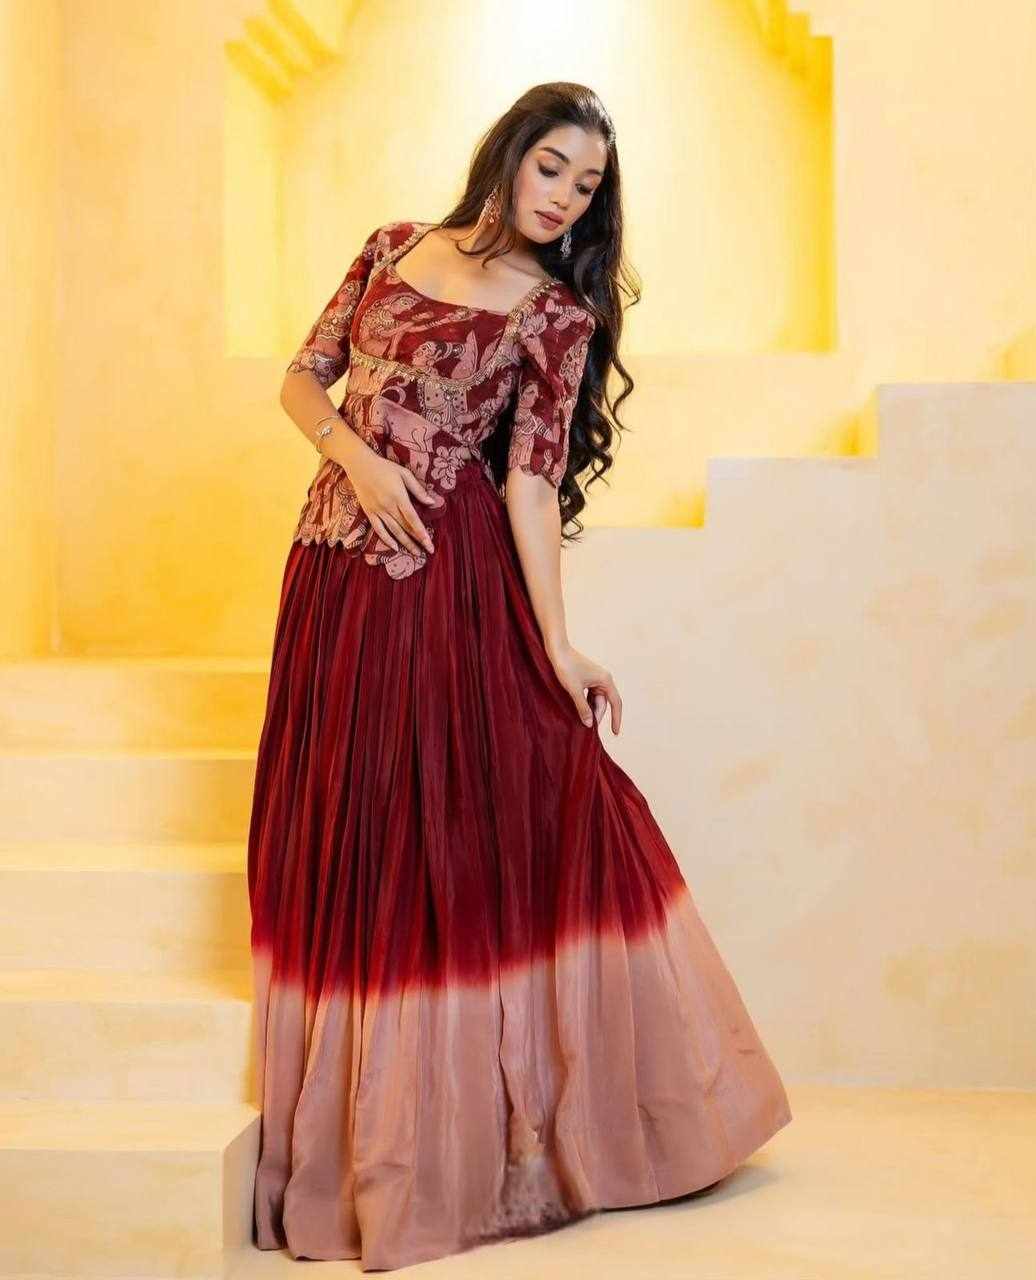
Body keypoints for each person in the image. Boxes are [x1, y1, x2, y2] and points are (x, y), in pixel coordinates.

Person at [246, 81, 792, 1272]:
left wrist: (556, 645)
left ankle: (461, 1128)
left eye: (587, 186)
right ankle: (343, 1111)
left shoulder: (554, 314)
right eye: (552, 168)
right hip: (330, 571)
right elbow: (300, 378)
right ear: (508, 154)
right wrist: (356, 456)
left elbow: (532, 485)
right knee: (346, 818)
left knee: (434, 828)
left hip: (444, 583)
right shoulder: (391, 247)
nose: (565, 198)